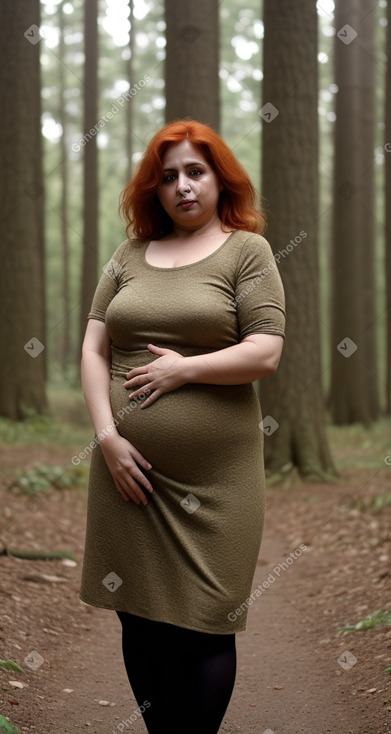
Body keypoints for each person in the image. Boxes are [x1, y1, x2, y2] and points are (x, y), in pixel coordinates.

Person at [79, 119, 285, 734]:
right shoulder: (129, 255)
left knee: (208, 619)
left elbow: (266, 351)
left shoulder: (249, 252)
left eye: (196, 171)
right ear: (154, 189)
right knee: (138, 617)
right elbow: (94, 350)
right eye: (168, 177)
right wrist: (109, 438)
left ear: (221, 180)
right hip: (127, 474)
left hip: (218, 482)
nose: (183, 186)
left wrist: (184, 372)